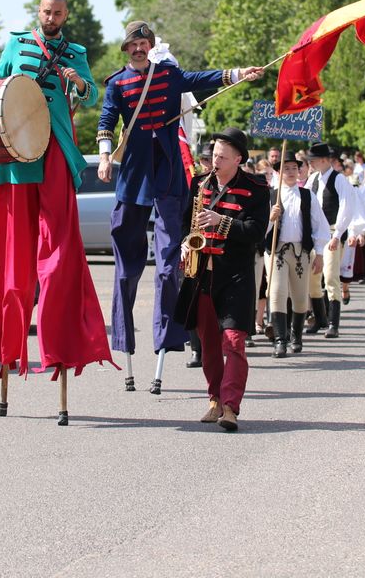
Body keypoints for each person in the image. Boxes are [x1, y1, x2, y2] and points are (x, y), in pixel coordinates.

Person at [96, 21, 263, 392]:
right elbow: (107, 120)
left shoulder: (169, 76)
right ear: (126, 50)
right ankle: (124, 340)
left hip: (169, 178)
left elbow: (204, 78)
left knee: (171, 266)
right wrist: (105, 157)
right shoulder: (117, 84)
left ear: (151, 46)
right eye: (133, 44)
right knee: (125, 271)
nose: (139, 49)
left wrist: (240, 73)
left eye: (144, 43)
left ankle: (169, 337)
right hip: (134, 179)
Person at [0, 0, 113, 424]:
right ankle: (7, 355)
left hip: (55, 152)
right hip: (17, 155)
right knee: (15, 272)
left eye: (58, 13)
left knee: (57, 264)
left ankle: (61, 348)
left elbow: (90, 98)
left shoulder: (76, 51)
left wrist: (79, 82)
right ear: (39, 12)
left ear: (65, 15)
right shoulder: (17, 43)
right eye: (46, 12)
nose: (51, 18)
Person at [173, 127, 270, 431]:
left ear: (238, 159)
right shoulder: (200, 183)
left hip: (236, 275)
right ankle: (214, 399)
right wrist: (185, 243)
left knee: (234, 343)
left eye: (222, 157)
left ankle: (230, 406)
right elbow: (186, 222)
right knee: (209, 344)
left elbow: (256, 232)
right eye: (214, 154)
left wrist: (222, 221)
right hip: (202, 274)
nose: (214, 161)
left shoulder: (256, 188)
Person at [266, 155, 329, 357]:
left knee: (300, 297)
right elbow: (260, 229)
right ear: (279, 172)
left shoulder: (307, 195)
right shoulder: (271, 196)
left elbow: (320, 225)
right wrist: (270, 218)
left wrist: (319, 253)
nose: (291, 172)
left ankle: (296, 336)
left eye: (294, 168)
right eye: (287, 168)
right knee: (277, 293)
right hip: (278, 251)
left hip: (301, 252)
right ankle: (280, 340)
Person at [305, 142, 365, 337]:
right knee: (313, 279)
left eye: (313, 160)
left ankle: (334, 323)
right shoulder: (313, 179)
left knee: (331, 277)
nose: (311, 164)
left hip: (332, 233)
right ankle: (320, 318)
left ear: (324, 160)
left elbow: (346, 207)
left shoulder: (339, 180)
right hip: (316, 235)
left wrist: (338, 233)